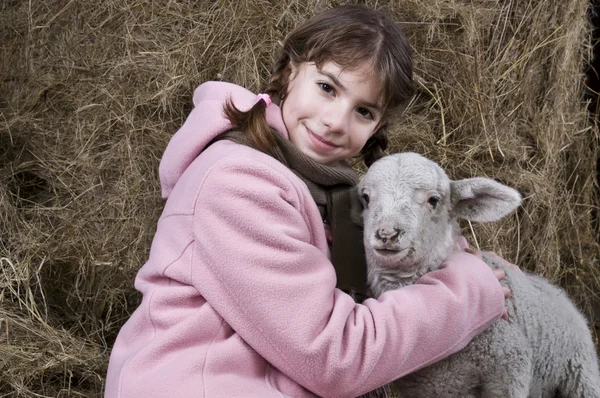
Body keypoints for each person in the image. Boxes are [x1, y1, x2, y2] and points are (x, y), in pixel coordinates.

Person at [105, 4, 509, 397]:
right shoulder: (237, 183)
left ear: (378, 126)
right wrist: (471, 291)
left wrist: (460, 260)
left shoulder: (331, 192)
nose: (336, 121)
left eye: (364, 111)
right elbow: (335, 357)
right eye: (327, 88)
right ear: (291, 69)